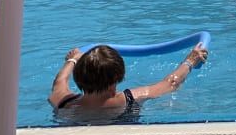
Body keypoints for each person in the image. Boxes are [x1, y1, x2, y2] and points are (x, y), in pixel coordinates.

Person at [49, 41, 208, 121]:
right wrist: (190, 61)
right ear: (115, 81)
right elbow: (171, 83)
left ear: (78, 77)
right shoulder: (129, 99)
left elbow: (59, 81)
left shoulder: (62, 101)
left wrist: (73, 60)